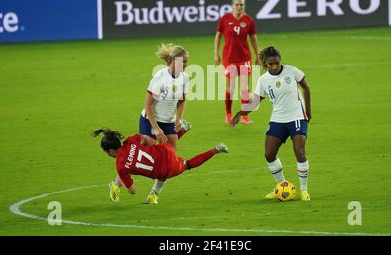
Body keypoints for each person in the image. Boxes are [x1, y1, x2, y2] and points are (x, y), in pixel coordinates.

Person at [109, 43, 191, 205]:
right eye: (183, 61)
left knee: (169, 161)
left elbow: (182, 101)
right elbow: (147, 105)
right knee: (145, 153)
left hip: (168, 122)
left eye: (187, 62)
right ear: (172, 60)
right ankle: (117, 183)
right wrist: (155, 128)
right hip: (149, 119)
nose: (185, 65)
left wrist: (179, 119)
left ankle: (154, 194)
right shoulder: (160, 77)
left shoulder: (185, 78)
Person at [230, 46, 312, 201]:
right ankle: (281, 186)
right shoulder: (263, 80)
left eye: (277, 63)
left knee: (299, 152)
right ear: (265, 64)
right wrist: (240, 113)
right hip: (278, 119)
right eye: (271, 64)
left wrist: (308, 111)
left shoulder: (292, 71)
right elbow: (255, 103)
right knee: (269, 154)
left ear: (280, 61)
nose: (274, 67)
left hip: (297, 117)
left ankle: (304, 190)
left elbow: (307, 88)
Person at [93, 129, 229, 203]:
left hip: (166, 169)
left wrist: (125, 176)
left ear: (110, 151)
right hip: (165, 150)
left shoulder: (121, 166)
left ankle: (216, 149)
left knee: (186, 165)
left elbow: (133, 191)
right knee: (162, 147)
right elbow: (144, 139)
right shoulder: (130, 141)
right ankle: (182, 129)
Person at [214, 0, 259, 125]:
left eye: (241, 5)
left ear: (244, 6)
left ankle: (244, 116)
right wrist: (216, 54)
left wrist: (257, 55)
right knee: (231, 88)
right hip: (229, 59)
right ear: (232, 6)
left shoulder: (249, 20)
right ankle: (228, 114)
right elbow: (218, 36)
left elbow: (253, 39)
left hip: (244, 58)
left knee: (245, 88)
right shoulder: (225, 19)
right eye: (237, 5)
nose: (239, 7)